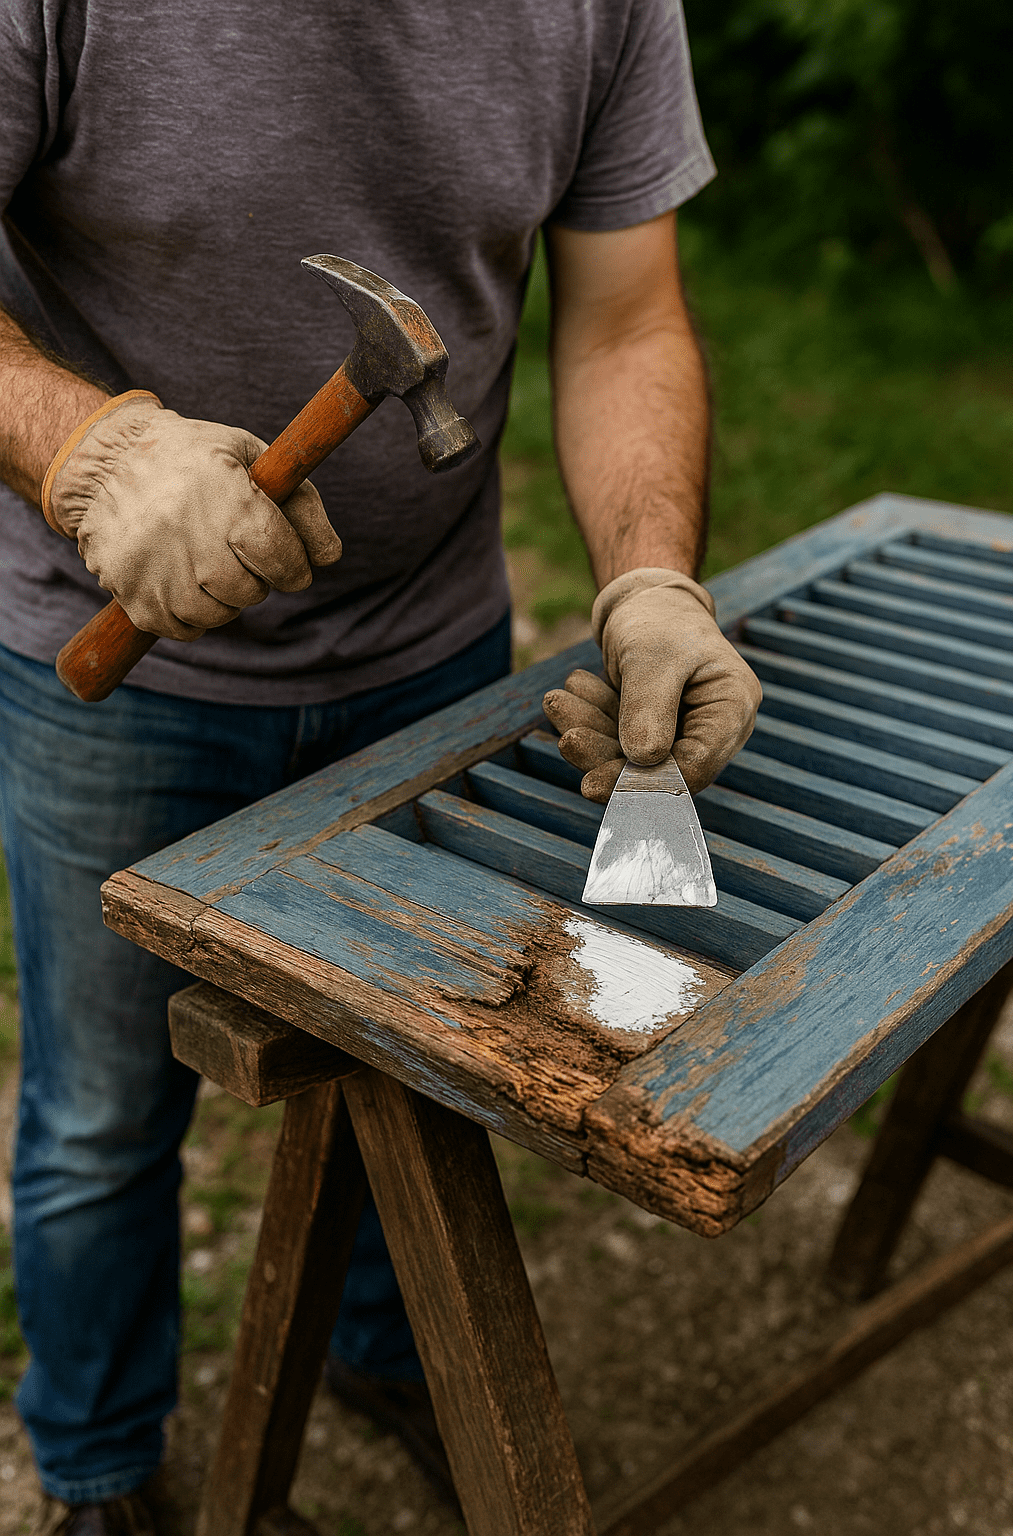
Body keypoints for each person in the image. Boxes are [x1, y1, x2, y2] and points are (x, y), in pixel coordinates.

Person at [0, 2, 761, 1530]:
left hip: (432, 654)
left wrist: (651, 581)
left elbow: (622, 319)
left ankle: (379, 1351)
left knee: (412, 1061)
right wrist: (89, 452)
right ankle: (96, 1463)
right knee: (100, 1118)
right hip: (103, 655)